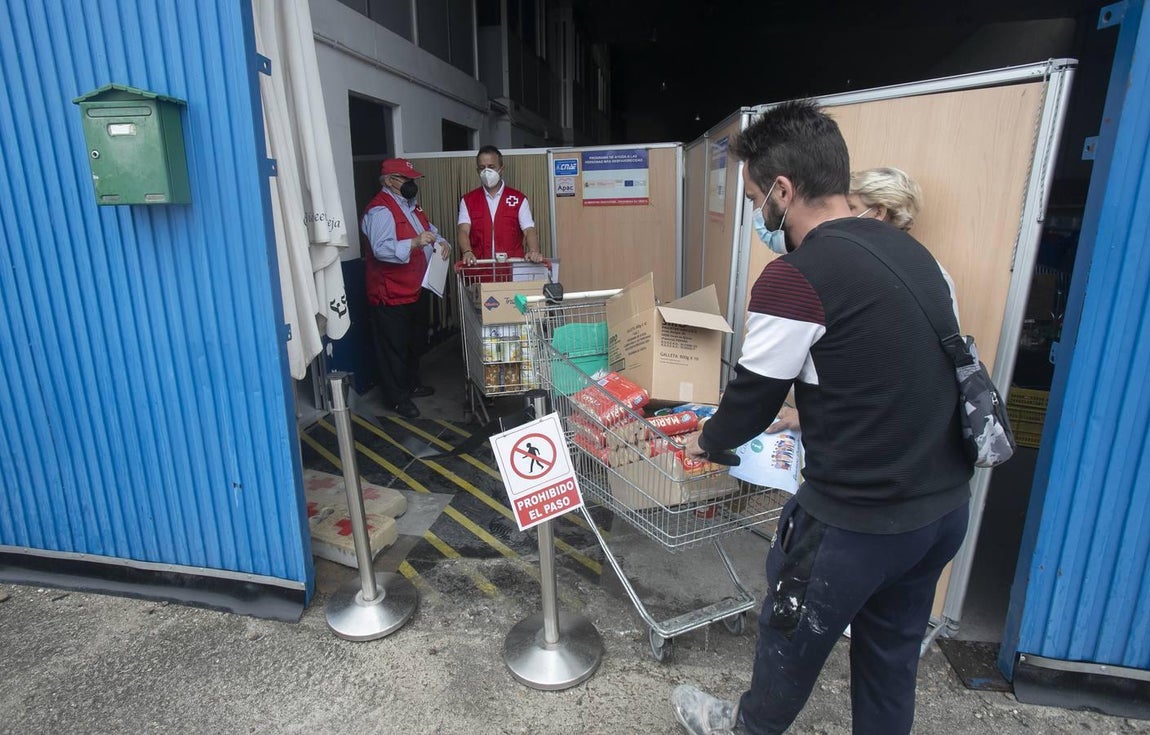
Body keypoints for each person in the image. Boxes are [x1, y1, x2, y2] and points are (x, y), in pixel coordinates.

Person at [672, 101, 973, 735]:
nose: (758, 214)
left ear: (782, 190)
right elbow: (887, 379)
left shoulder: (795, 277)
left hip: (853, 525)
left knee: (786, 651)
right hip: (941, 511)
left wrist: (707, 439)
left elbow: (747, 403)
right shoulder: (915, 259)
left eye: (757, 199)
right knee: (889, 661)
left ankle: (744, 727)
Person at [770, 165, 925, 435]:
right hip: (835, 422)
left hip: (857, 435)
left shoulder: (910, 274)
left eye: (850, 206)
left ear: (877, 213)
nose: (840, 216)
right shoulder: (918, 266)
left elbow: (880, 373)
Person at [361, 158, 450, 420]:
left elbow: (430, 231)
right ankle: (398, 399)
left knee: (413, 342)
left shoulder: (413, 207)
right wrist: (414, 242)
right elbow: (381, 248)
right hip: (390, 293)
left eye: (413, 179)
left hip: (415, 288)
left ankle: (411, 384)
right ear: (389, 181)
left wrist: (441, 241)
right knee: (394, 349)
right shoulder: (380, 211)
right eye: (406, 179)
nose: (412, 184)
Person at [456, 145, 543, 266]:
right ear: (477, 171)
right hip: (480, 270)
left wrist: (534, 251)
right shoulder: (469, 200)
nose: (486, 172)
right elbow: (463, 230)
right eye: (482, 168)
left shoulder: (518, 199)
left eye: (491, 167)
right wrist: (467, 251)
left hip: (512, 271)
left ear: (501, 169)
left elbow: (529, 230)